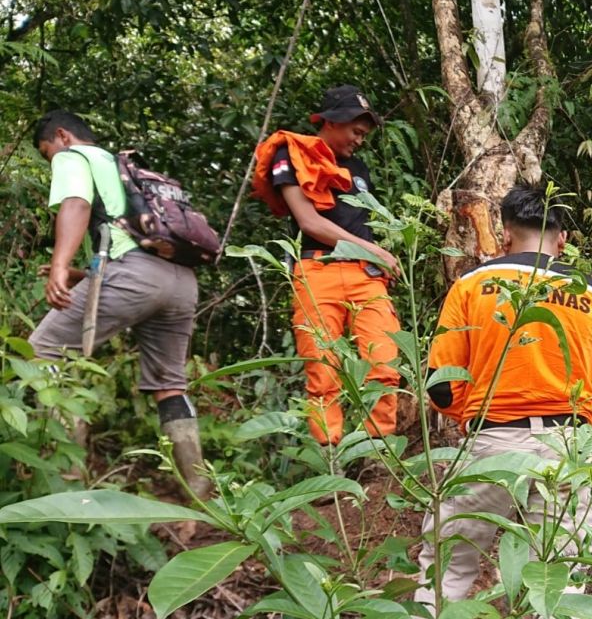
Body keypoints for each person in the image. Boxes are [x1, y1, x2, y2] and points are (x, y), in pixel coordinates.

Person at [403, 184, 592, 619]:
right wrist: (574, 429)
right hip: (566, 448)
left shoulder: (472, 285)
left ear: (504, 232)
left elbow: (439, 385)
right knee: (557, 581)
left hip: (489, 444)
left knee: (448, 570)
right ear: (564, 239)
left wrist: (477, 417)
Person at [29, 110, 208, 498]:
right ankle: (200, 491)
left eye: (48, 154)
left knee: (42, 350)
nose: (53, 162)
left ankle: (69, 489)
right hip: (179, 281)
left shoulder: (74, 156)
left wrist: (59, 266)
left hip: (135, 277)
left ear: (62, 137)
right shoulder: (122, 166)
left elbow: (75, 204)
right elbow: (125, 239)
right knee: (170, 385)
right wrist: (81, 275)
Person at [252, 85, 400, 448]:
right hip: (318, 271)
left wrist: (379, 255)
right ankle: (330, 456)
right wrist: (374, 251)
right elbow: (309, 222)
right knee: (323, 371)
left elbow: (361, 221)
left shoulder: (358, 167)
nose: (359, 141)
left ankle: (379, 453)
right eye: (356, 132)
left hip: (366, 275)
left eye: (364, 135)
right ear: (333, 121)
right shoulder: (291, 153)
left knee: (383, 363)